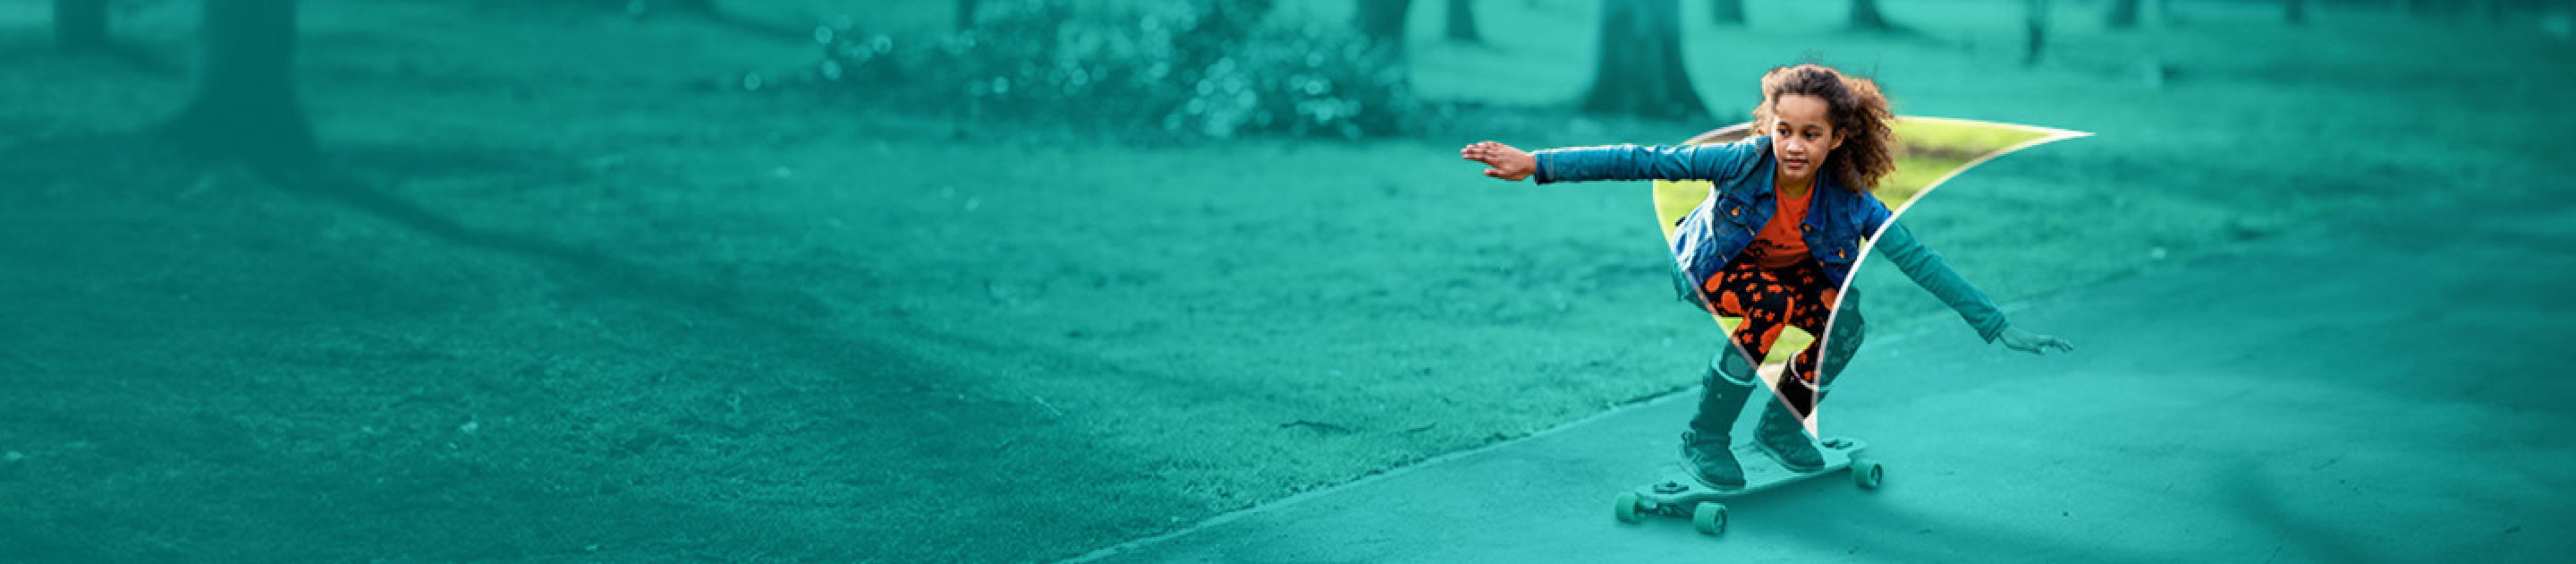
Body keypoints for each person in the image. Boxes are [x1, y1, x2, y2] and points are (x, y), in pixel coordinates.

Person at [1458, 64, 2073, 490]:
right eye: (1784, 130)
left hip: (1783, 277)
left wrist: (1995, 325)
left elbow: (1917, 257)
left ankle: (1781, 426)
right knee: (1768, 310)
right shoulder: (1741, 162)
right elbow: (1639, 158)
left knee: (1846, 320)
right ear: (1768, 128)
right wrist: (1536, 164)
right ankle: (1704, 438)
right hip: (1710, 269)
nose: (1794, 146)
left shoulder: (1851, 201)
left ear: (1837, 139)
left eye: (1811, 134)